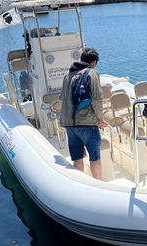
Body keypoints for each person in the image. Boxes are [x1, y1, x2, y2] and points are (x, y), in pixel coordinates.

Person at [60, 47, 106, 180]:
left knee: (77, 157)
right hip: (87, 122)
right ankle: (99, 186)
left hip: (69, 123)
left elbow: (62, 98)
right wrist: (100, 119)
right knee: (95, 157)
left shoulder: (67, 76)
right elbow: (97, 99)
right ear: (93, 63)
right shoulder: (91, 73)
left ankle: (79, 184)